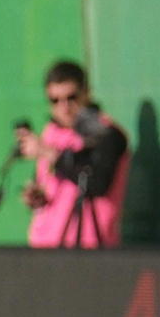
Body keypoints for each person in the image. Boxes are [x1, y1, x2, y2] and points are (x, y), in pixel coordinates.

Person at [18, 60, 129, 249]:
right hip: (46, 249)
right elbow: (52, 190)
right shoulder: (51, 132)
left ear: (87, 93)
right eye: (55, 100)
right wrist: (37, 198)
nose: (64, 107)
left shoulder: (107, 133)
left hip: (90, 252)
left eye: (72, 97)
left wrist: (50, 153)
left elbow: (97, 184)